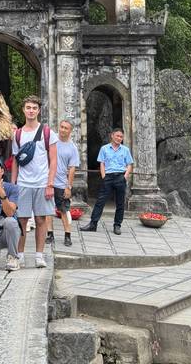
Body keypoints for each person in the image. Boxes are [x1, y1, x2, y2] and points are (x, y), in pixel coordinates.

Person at [11, 95, 57, 268]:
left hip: (42, 182)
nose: (31, 111)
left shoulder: (47, 133)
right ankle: (20, 255)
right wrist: (14, 183)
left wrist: (50, 183)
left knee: (40, 220)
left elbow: (53, 160)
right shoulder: (17, 134)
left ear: (38, 110)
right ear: (23, 110)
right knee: (21, 220)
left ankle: (39, 255)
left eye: (34, 108)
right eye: (28, 107)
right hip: (23, 183)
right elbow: (15, 160)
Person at [80, 128, 133, 235]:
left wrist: (125, 176)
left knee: (120, 203)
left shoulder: (125, 150)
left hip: (120, 177)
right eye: (117, 136)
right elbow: (102, 163)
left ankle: (117, 225)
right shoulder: (104, 149)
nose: (119, 138)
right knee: (100, 201)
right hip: (108, 177)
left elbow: (130, 164)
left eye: (121, 137)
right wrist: (104, 176)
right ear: (112, 136)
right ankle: (93, 224)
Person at [46, 119, 80, 247]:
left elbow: (72, 169)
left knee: (64, 210)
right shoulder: (51, 139)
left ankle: (67, 235)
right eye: (61, 127)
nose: (63, 130)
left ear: (70, 131)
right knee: (48, 209)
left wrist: (68, 187)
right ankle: (50, 233)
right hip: (48, 181)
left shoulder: (72, 148)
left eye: (66, 128)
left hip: (61, 182)